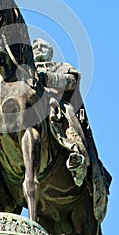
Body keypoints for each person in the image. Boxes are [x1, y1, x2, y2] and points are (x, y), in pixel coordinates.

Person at [32, 38, 89, 187]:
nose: (38, 48)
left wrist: (47, 78)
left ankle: (76, 155)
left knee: (67, 114)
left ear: (51, 52)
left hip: (55, 103)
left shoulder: (61, 67)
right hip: (29, 104)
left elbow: (71, 82)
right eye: (35, 47)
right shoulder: (24, 70)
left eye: (42, 46)